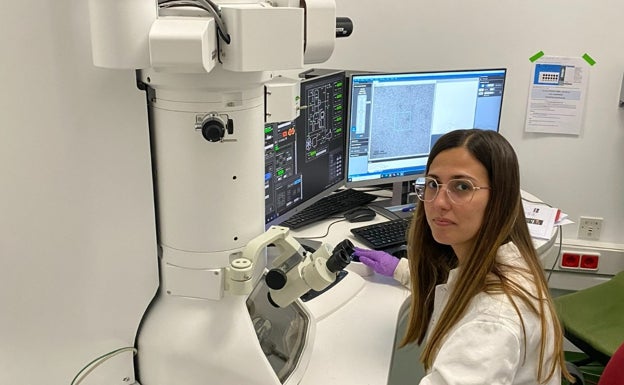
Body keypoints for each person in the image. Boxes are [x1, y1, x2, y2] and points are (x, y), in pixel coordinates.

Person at [353, 129, 573, 384]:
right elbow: (455, 285)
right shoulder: (505, 257)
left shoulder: (492, 322)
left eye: (462, 187)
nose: (439, 203)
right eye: (433, 184)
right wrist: (400, 269)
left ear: (499, 198)